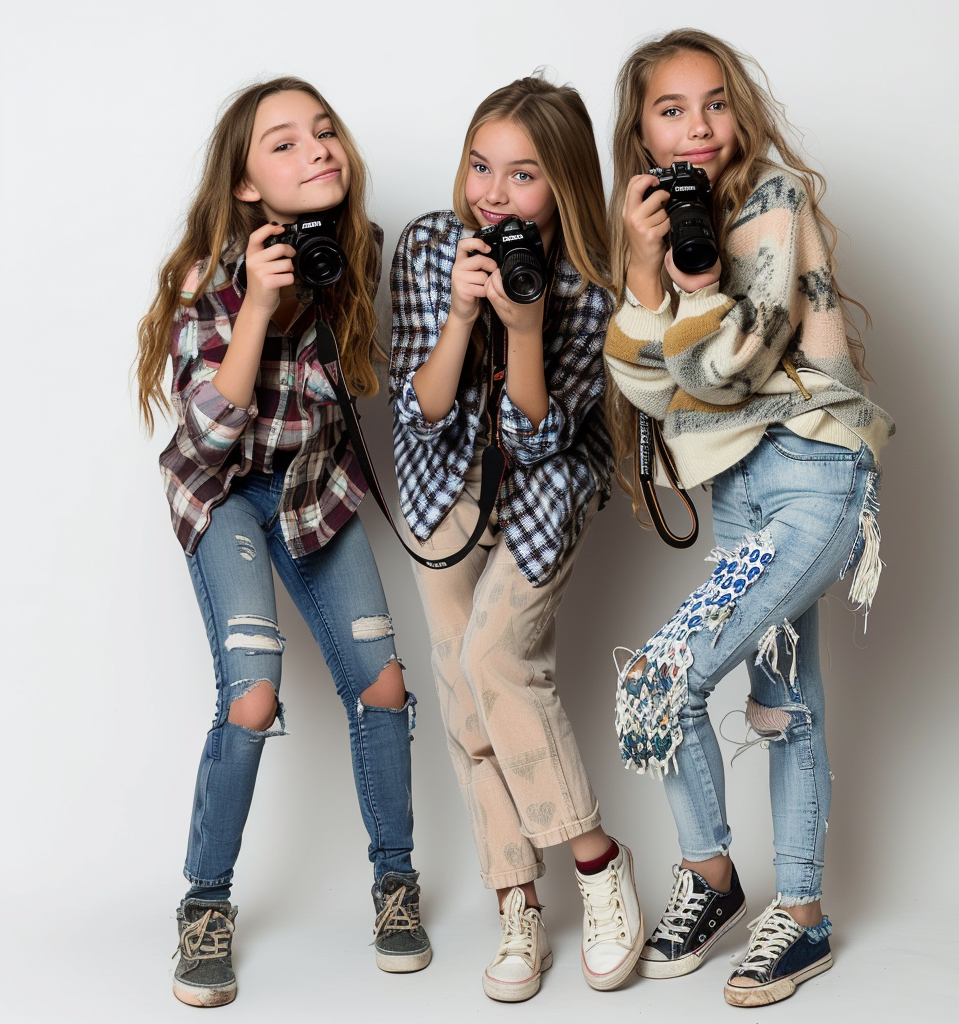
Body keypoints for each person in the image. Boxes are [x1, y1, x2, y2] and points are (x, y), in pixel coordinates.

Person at [604, 29, 894, 1007]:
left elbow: (726, 369)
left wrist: (677, 289)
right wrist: (645, 270)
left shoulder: (774, 200)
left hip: (817, 477)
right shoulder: (659, 225)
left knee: (662, 678)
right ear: (639, 129)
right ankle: (773, 904)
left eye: (714, 102)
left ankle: (732, 885)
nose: (697, 127)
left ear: (739, 111)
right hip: (743, 490)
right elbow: (642, 390)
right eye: (671, 109)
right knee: (784, 702)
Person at [136, 77, 430, 1007]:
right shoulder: (206, 275)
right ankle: (206, 902)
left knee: (382, 681)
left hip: (315, 490)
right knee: (254, 693)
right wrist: (260, 307)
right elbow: (206, 439)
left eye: (326, 130)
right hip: (220, 492)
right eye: (285, 141)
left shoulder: (353, 255)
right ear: (247, 184)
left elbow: (357, 395)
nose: (318, 148)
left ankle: (394, 882)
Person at [389, 75, 643, 1002]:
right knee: (460, 690)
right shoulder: (427, 244)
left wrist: (524, 326)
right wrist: (462, 317)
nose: (492, 193)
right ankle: (515, 901)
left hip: (545, 486)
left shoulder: (590, 281)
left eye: (522, 174)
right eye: (480, 165)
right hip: (441, 480)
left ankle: (598, 864)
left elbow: (541, 436)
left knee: (499, 661)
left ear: (561, 185)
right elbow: (420, 414)